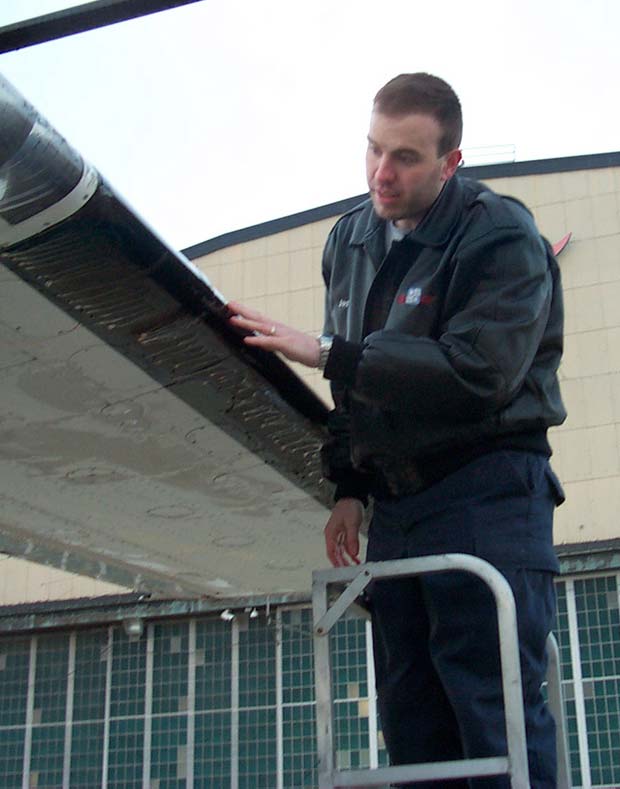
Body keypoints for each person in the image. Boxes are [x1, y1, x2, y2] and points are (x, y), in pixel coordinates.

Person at [228, 72, 566, 788]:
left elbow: (481, 371)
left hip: (488, 490)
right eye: (374, 150)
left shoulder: (501, 234)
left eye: (407, 157)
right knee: (412, 715)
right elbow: (356, 385)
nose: (383, 173)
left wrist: (326, 350)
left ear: (453, 162)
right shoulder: (350, 239)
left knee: (492, 700)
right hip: (399, 505)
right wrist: (349, 483)